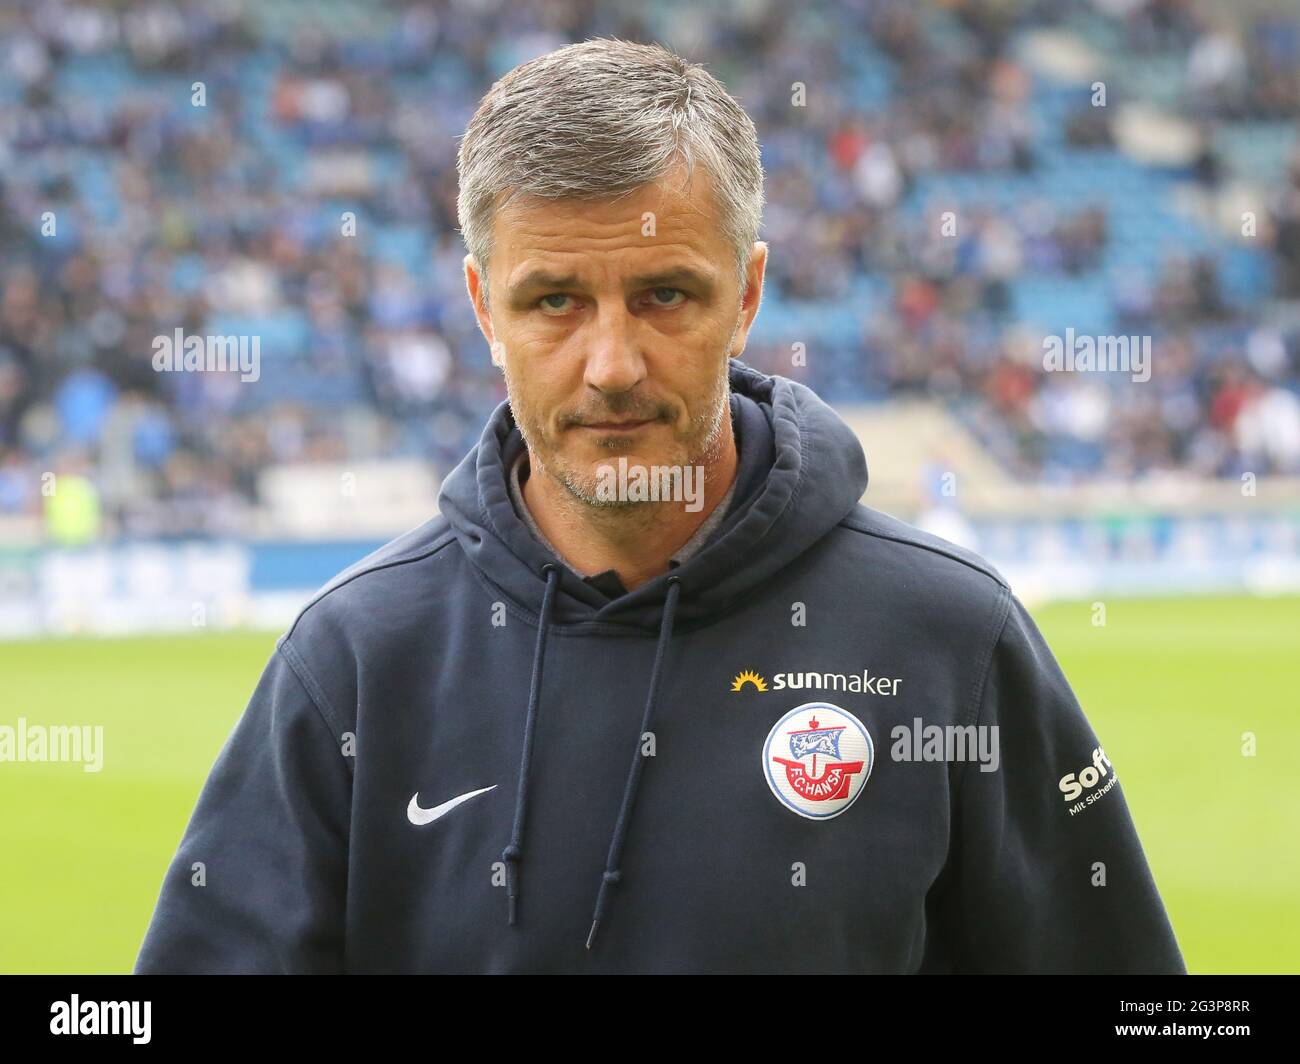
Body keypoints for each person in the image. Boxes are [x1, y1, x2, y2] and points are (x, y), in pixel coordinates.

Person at [135, 38, 1185, 974]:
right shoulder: (355, 661)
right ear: (482, 308)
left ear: (748, 294)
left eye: (664, 295)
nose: (612, 365)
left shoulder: (949, 633)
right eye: (554, 300)